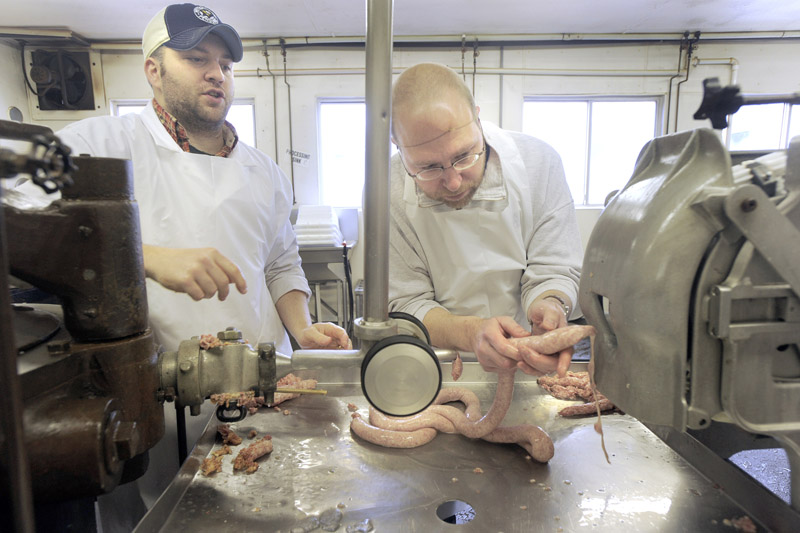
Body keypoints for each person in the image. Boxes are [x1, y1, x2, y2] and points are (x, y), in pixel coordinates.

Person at [42, 3, 351, 528]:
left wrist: (301, 328)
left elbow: (280, 260)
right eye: (195, 57)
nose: (216, 73)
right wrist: (143, 256)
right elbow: (21, 226)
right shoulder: (98, 146)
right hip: (149, 403)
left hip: (258, 392)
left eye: (226, 64)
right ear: (153, 69)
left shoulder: (264, 172)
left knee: (259, 511)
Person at [388, 62, 582, 377]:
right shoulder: (388, 189)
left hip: (526, 359)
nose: (453, 182)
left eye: (464, 156)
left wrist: (550, 306)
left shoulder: (539, 164)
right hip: (434, 365)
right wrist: (471, 331)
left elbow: (555, 269)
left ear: (477, 119)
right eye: (429, 168)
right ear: (398, 148)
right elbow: (406, 301)